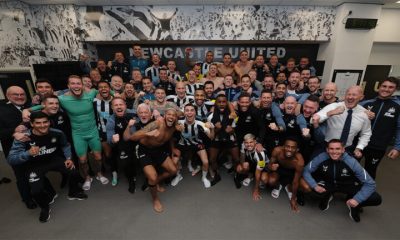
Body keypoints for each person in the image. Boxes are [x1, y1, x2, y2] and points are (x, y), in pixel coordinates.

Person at [24, 75, 109, 191]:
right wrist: (27, 110)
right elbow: (46, 104)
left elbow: (107, 90)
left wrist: (116, 94)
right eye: (73, 83)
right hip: (78, 134)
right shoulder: (63, 99)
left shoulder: (91, 93)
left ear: (82, 85)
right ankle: (87, 178)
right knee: (82, 159)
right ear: (68, 86)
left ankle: (99, 173)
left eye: (78, 83)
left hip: (93, 131)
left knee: (98, 157)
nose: (76, 86)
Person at [7, 112, 87, 223]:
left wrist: (68, 158)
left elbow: (65, 145)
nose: (43, 125)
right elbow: (11, 159)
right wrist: (27, 153)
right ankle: (44, 208)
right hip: (34, 165)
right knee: (36, 191)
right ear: (32, 124)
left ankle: (73, 192)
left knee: (74, 172)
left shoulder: (57, 133)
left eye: (45, 122)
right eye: (38, 123)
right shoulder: (24, 137)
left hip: (53, 160)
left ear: (49, 122)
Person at [303, 139, 382, 222]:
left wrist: (357, 199)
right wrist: (314, 185)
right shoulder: (321, 157)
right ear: (327, 150)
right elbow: (306, 170)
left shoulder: (352, 162)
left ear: (343, 149)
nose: (334, 152)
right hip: (329, 183)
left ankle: (355, 207)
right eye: (331, 149)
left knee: (376, 198)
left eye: (338, 149)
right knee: (312, 188)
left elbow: (370, 184)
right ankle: (327, 195)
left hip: (348, 185)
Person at [123, 109, 179, 213]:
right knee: (152, 177)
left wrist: (173, 149)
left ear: (176, 118)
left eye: (174, 115)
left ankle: (156, 182)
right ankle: (155, 199)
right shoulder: (157, 123)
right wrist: (148, 134)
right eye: (169, 114)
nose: (171, 117)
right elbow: (133, 137)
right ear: (164, 115)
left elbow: (170, 138)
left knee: (173, 170)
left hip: (158, 150)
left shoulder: (175, 126)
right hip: (144, 150)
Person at [314, 86, 371, 158]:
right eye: (348, 94)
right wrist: (330, 113)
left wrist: (359, 147)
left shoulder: (364, 113)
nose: (350, 97)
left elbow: (366, 133)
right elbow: (314, 119)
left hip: (347, 149)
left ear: (361, 97)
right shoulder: (334, 106)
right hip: (326, 147)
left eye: (354, 95)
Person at [360, 77, 400, 179]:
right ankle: (349, 193)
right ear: (379, 87)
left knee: (370, 171)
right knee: (351, 168)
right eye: (384, 86)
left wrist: (397, 147)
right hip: (360, 144)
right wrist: (362, 112)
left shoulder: (397, 106)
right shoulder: (367, 103)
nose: (386, 89)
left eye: (390, 87)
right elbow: (349, 108)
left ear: (395, 90)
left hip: (378, 146)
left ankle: (366, 194)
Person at [0, 86, 33, 208]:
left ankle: (40, 192)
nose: (20, 97)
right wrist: (14, 131)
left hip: (32, 147)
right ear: (8, 96)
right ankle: (27, 199)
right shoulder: (1, 110)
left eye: (22, 94)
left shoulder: (29, 105)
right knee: (22, 176)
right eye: (16, 94)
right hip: (15, 151)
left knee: (35, 171)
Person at [172, 103, 214, 188]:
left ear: (195, 112)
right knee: (174, 162)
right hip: (182, 143)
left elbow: (211, 137)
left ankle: (204, 178)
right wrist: (175, 127)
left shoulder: (201, 123)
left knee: (205, 162)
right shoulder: (178, 122)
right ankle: (178, 175)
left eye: (192, 110)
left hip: (196, 143)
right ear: (184, 112)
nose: (189, 113)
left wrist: (212, 128)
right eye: (187, 110)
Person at [207, 94, 240, 186]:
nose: (221, 104)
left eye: (224, 102)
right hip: (217, 139)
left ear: (227, 103)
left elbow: (234, 128)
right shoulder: (211, 116)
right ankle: (217, 174)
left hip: (230, 138)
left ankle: (236, 175)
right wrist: (217, 129)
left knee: (236, 159)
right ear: (216, 104)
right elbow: (212, 135)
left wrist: (231, 130)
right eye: (219, 102)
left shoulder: (233, 115)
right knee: (212, 159)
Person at [268, 137, 308, 211]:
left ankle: (288, 186)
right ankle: (278, 185)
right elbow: (269, 165)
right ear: (283, 146)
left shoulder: (299, 161)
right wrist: (271, 167)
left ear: (297, 149)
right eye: (287, 146)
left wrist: (293, 199)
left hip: (291, 174)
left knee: (306, 187)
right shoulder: (277, 150)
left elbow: (296, 182)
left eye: (293, 148)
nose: (289, 149)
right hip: (279, 170)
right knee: (271, 181)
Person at [106, 97, 138, 192]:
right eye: (116, 105)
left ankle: (134, 173)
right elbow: (109, 139)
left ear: (125, 106)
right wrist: (112, 140)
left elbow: (144, 111)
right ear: (112, 107)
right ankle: (131, 181)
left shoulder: (132, 113)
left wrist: (156, 113)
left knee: (135, 159)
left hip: (134, 139)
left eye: (121, 104)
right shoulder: (111, 120)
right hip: (121, 144)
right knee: (125, 162)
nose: (119, 107)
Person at [235, 134, 269, 201]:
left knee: (264, 179)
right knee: (239, 168)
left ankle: (257, 181)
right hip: (253, 162)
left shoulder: (260, 154)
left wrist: (256, 190)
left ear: (255, 142)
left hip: (264, 167)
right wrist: (243, 164)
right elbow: (242, 159)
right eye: (246, 143)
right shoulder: (243, 145)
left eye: (251, 142)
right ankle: (251, 176)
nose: (249, 145)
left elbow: (258, 172)